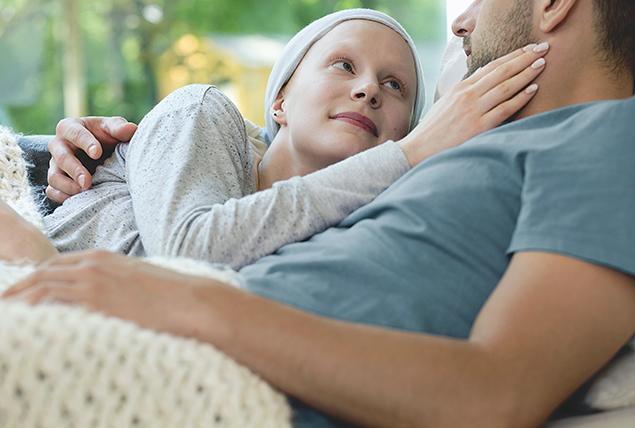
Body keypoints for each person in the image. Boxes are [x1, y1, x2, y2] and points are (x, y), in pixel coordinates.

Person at [4, 0, 635, 427]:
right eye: (345, 67)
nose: (462, 22)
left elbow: (497, 389)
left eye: (397, 88)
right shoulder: (459, 157)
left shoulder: (611, 140)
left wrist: (193, 304)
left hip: (205, 359)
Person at [30, 9, 544, 271]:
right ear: (279, 101)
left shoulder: (356, 228)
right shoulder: (205, 112)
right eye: (344, 65)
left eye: (395, 87)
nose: (368, 90)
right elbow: (189, 255)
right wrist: (408, 155)